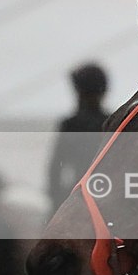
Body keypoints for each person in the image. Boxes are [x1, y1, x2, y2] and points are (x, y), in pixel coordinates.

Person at [47, 62, 110, 213]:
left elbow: (55, 168)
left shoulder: (71, 124)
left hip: (76, 195)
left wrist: (56, 202)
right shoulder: (111, 122)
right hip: (105, 197)